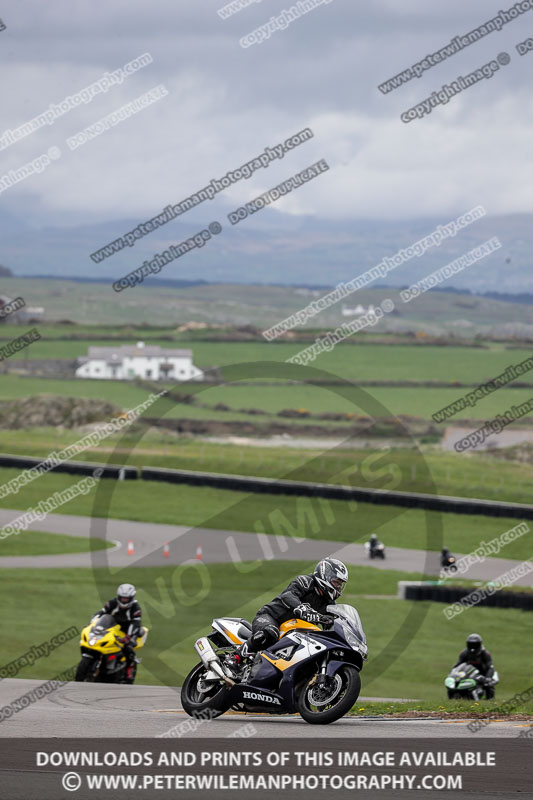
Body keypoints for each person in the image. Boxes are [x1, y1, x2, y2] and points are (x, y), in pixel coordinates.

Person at [238, 558, 348, 661]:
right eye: (336, 582)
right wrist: (303, 609)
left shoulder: (329, 603)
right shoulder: (305, 581)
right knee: (271, 632)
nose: (338, 587)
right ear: (325, 576)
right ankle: (236, 656)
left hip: (293, 630)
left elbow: (332, 625)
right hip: (271, 617)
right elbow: (288, 596)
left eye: (340, 584)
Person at [93, 583, 142, 683]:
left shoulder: (136, 608)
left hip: (128, 631)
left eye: (126, 599)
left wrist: (129, 637)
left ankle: (129, 669)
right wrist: (92, 624)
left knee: (129, 648)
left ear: (132, 598)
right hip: (113, 628)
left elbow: (135, 623)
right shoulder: (112, 603)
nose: (124, 600)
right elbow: (101, 613)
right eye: (122, 598)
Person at [454, 633, 495, 699]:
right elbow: (458, 665)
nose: (473, 646)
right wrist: (453, 674)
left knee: (489, 685)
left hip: (482, 675)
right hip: (468, 674)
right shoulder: (464, 653)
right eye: (471, 644)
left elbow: (490, 667)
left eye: (475, 644)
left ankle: (490, 699)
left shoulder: (485, 654)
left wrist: (488, 678)